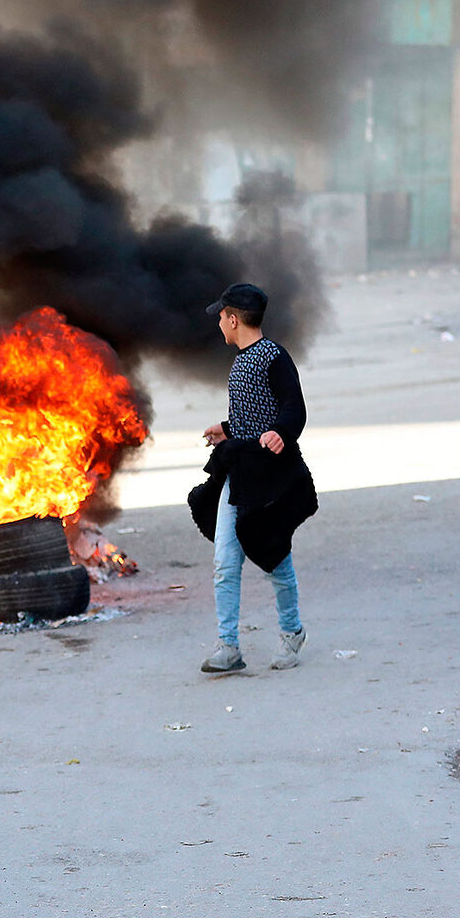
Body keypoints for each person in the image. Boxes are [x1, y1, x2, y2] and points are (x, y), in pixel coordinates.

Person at [188, 283, 318, 674]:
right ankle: (228, 646)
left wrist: (281, 432)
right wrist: (227, 428)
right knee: (225, 563)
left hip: (270, 479)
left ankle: (292, 632)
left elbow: (294, 407)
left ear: (233, 319)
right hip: (239, 472)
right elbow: (252, 414)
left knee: (275, 559)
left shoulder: (274, 357)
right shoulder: (242, 360)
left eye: (221, 317)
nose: (218, 324)